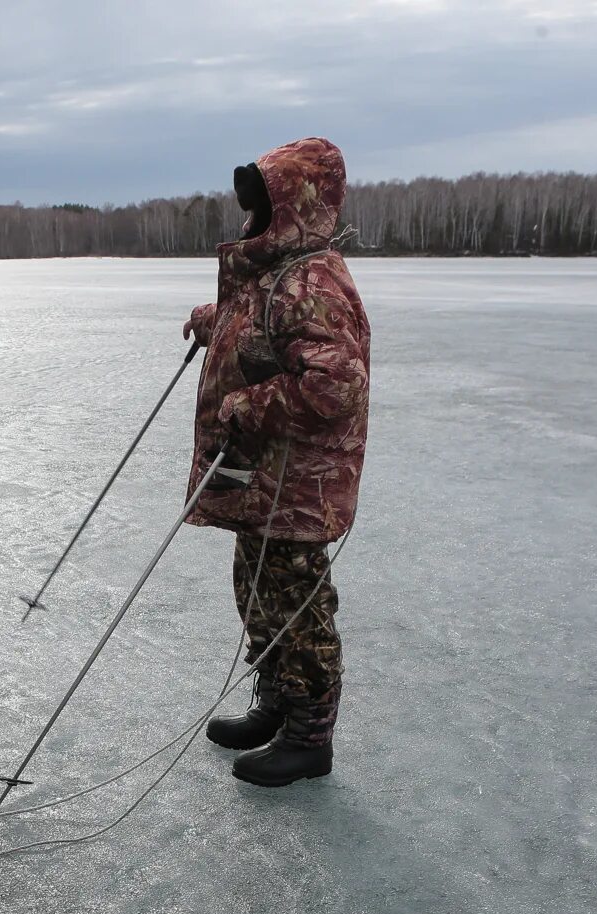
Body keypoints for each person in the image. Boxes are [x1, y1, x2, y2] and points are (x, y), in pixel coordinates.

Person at [182, 137, 371, 787]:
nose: (252, 216)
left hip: (300, 485)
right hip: (262, 478)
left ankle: (309, 735)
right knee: (256, 591)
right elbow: (262, 325)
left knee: (299, 602)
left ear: (293, 208)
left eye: (264, 203)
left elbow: (333, 384)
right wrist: (219, 320)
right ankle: (277, 702)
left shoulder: (314, 279)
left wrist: (247, 405)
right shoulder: (271, 274)